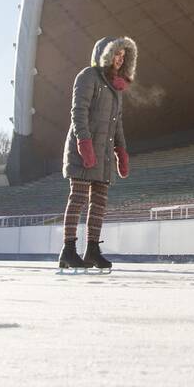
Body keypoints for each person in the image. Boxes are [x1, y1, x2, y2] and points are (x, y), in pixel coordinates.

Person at [57, 36, 136, 274]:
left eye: (124, 56)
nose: (120, 59)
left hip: (103, 154)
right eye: (116, 54)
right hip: (85, 148)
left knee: (99, 203)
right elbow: (78, 112)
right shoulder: (87, 76)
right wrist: (83, 142)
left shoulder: (116, 87)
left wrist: (120, 151)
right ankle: (68, 250)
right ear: (105, 54)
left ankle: (92, 249)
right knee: (78, 198)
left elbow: (117, 124)